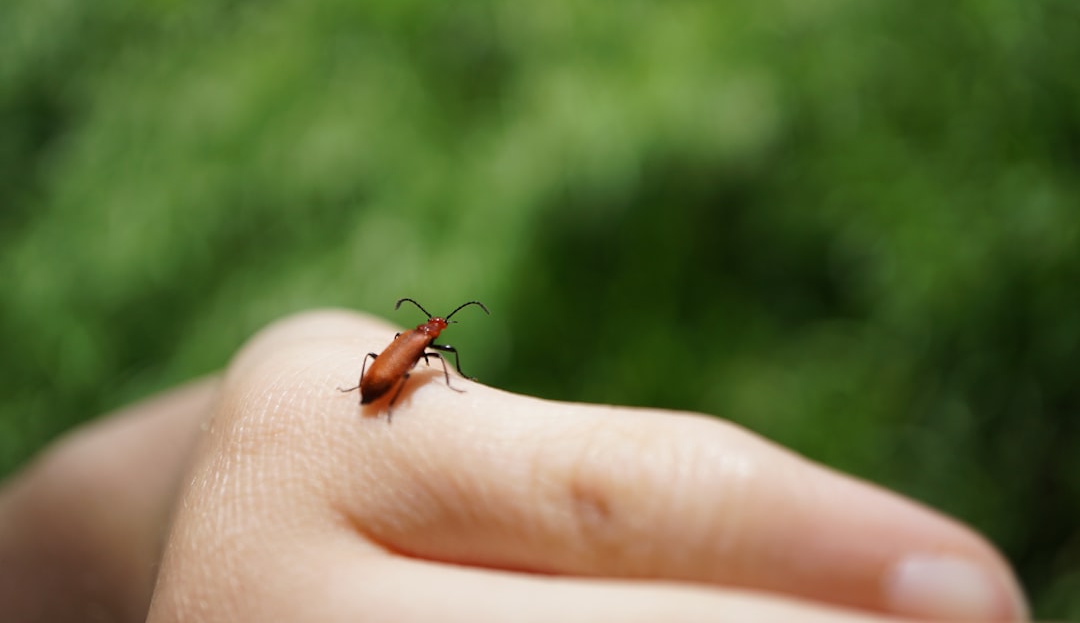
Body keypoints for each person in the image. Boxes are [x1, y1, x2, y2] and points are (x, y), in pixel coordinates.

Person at [0, 310, 1030, 622]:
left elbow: (69, 523)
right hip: (371, 388)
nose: (427, 338)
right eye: (429, 335)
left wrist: (269, 394)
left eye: (427, 335)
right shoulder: (409, 364)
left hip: (357, 387)